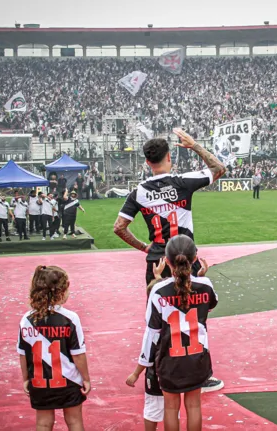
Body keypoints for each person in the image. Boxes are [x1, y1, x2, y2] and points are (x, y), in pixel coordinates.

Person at [114, 129, 226, 393]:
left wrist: (145, 247)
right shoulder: (182, 182)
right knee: (195, 318)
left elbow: (119, 227)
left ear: (147, 162)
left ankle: (155, 374)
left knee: (157, 319)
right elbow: (218, 168)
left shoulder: (139, 191)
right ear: (169, 157)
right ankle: (199, 374)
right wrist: (195, 145)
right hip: (187, 257)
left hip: (158, 263)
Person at [135, 236, 218, 431]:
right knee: (194, 405)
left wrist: (142, 364)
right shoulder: (205, 284)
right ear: (195, 257)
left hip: (169, 359)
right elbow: (210, 305)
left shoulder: (158, 290)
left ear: (167, 259)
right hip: (197, 357)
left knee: (171, 408)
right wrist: (200, 277)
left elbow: (152, 331)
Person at [17, 265, 91, 431]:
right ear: (60, 291)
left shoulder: (26, 320)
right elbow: (78, 354)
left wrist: (25, 379)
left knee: (43, 422)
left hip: (39, 380)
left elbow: (22, 354)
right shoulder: (70, 318)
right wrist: (86, 378)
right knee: (74, 421)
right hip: (68, 380)